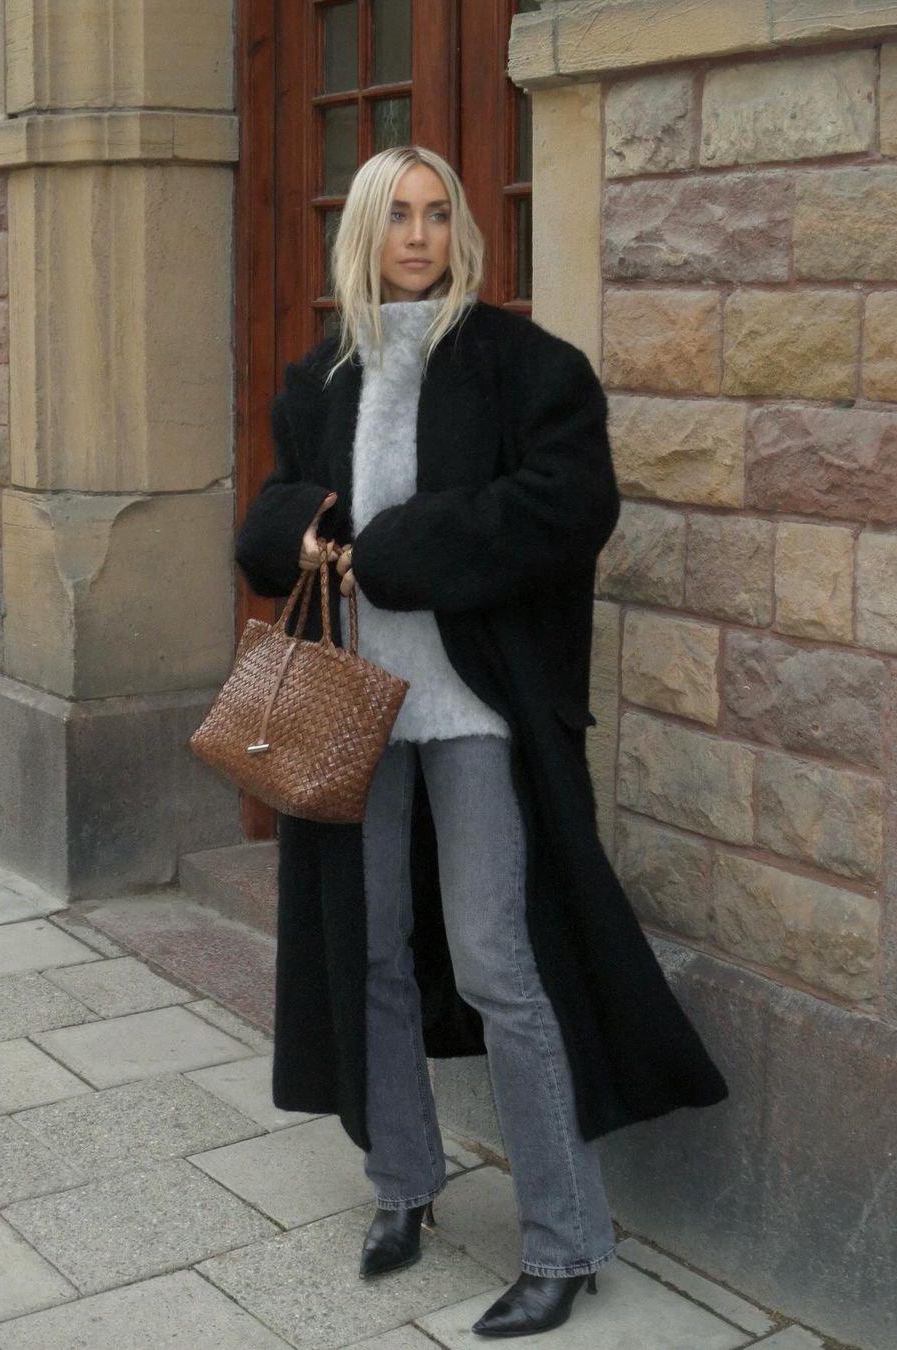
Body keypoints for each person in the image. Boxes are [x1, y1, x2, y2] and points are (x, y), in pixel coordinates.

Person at [235, 145, 728, 1338]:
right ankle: (403, 1184)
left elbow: (571, 505)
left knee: (500, 963)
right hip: (352, 711)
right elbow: (268, 521)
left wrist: (401, 548)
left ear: (461, 230)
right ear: (363, 231)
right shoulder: (320, 378)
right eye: (396, 215)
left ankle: (566, 1241)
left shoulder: (527, 366)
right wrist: (305, 528)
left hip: (475, 711)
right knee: (370, 952)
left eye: (436, 213)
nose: (418, 235)